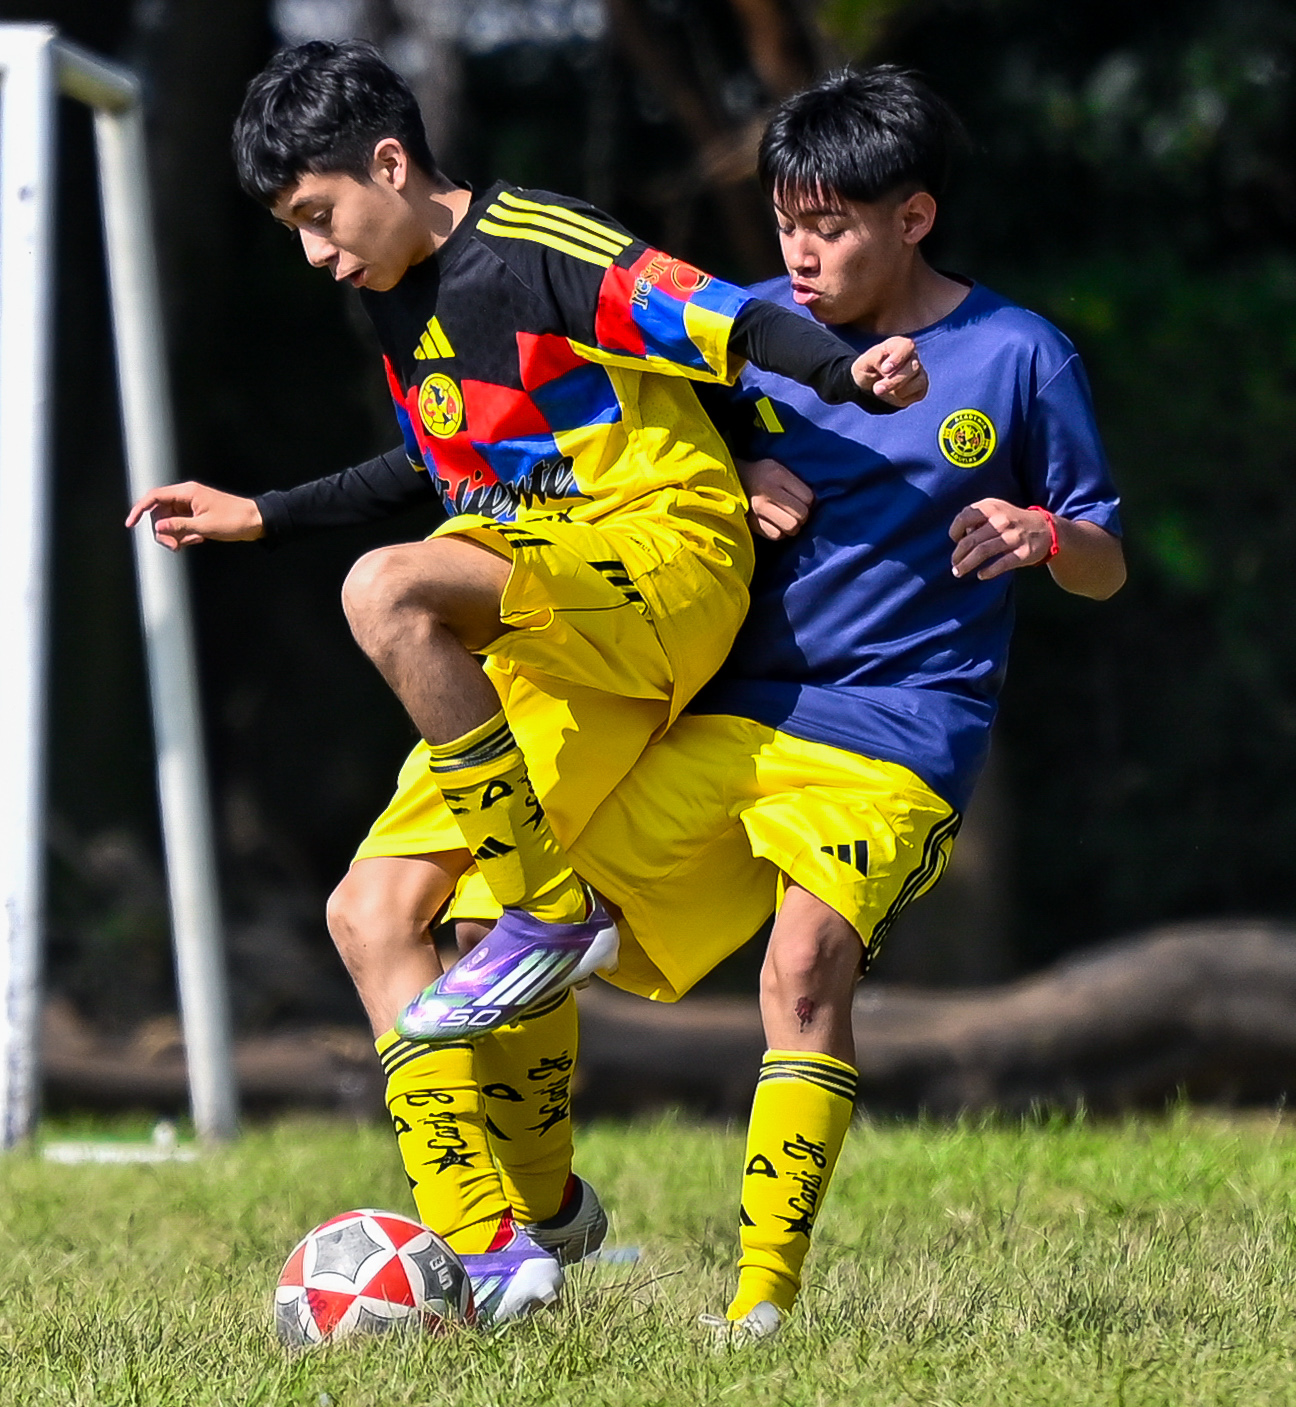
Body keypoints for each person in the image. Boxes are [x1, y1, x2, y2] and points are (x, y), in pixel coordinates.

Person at [125, 41, 927, 1324]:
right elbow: (437, 469)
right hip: (543, 619)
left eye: (319, 217)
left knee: (386, 593)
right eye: (293, 232)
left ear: (390, 163)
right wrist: (260, 515)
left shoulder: (538, 245)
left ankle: (547, 916)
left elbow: (724, 319)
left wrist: (842, 373)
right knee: (373, 918)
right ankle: (517, 1249)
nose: (317, 255)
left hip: (662, 560)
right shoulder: (395, 298)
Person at [447, 63, 1126, 1337]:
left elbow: (1103, 559)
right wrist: (737, 461)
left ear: (912, 218)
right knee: (526, 933)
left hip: (900, 729)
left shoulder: (1020, 355)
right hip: (727, 715)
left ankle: (758, 1312)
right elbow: (630, 454)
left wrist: (1040, 533)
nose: (798, 255)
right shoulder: (741, 328)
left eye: (831, 227)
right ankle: (543, 1227)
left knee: (802, 968)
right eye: (784, 224)